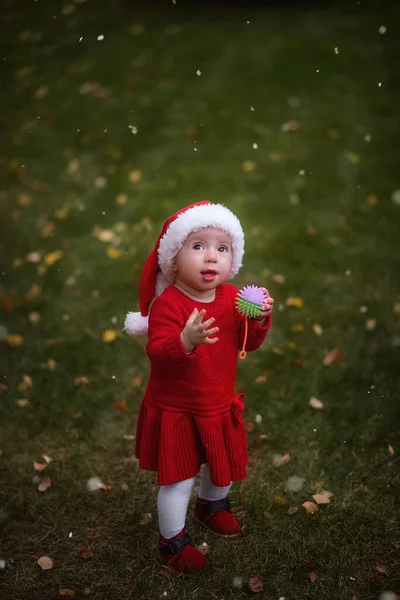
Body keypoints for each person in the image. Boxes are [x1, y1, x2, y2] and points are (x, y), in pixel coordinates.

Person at [124, 200, 274, 574]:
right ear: (174, 259)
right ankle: (171, 539)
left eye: (221, 249)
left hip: (217, 401)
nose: (211, 258)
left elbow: (247, 344)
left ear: (232, 260)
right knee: (179, 476)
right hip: (178, 407)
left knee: (218, 461)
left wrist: (260, 320)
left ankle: (211, 504)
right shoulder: (170, 305)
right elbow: (158, 352)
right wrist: (185, 340)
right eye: (198, 246)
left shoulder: (231, 298)